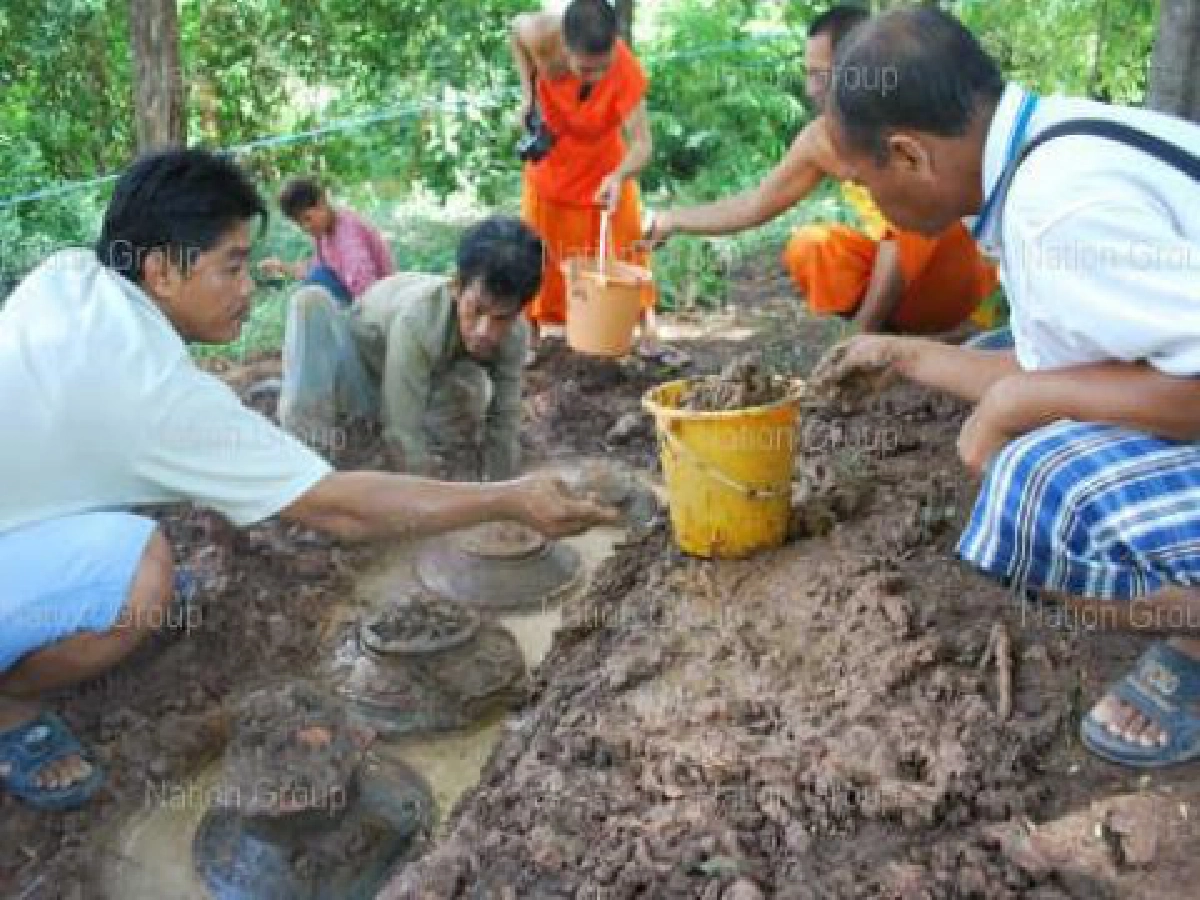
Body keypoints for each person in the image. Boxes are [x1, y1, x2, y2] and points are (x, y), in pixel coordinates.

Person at [0, 149, 613, 811]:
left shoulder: (70, 275)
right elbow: (339, 510)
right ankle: (12, 708)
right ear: (159, 270)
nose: (249, 287)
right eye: (232, 265)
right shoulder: (156, 395)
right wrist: (511, 497)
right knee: (145, 572)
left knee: (127, 540)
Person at [813, 7, 1200, 766]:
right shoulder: (1053, 147)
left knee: (1032, 489)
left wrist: (1017, 403)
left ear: (908, 154)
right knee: (1004, 361)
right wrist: (901, 355)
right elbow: (1057, 358)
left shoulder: (1058, 213)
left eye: (867, 185)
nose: (874, 208)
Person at [646, 4, 998, 336]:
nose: (811, 89)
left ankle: (881, 330)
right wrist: (672, 220)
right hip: (901, 288)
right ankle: (887, 333)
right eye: (808, 75)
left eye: (820, 75)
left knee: (911, 224)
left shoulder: (910, 123)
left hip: (953, 278)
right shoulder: (819, 139)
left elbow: (907, 233)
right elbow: (755, 204)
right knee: (811, 245)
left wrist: (860, 329)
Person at [281, 216, 539, 481]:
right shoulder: (418, 321)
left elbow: (504, 420)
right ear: (455, 288)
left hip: (423, 379)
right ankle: (306, 461)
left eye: (501, 318)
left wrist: (501, 493)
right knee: (310, 302)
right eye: (477, 311)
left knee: (468, 411)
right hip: (362, 375)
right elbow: (402, 430)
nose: (484, 332)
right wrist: (427, 499)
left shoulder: (516, 333)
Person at [511, 0, 681, 365]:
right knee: (538, 253)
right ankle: (529, 338)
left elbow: (642, 144)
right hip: (552, 166)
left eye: (603, 67)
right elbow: (515, 32)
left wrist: (619, 176)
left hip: (605, 166)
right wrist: (528, 93)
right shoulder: (542, 35)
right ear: (564, 48)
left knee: (627, 249)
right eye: (585, 69)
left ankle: (648, 333)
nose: (596, 77)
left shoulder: (624, 69)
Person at [259, 176, 394, 307]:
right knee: (313, 282)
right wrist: (281, 267)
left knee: (314, 285)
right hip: (354, 298)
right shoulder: (323, 234)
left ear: (321, 202)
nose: (305, 227)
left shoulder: (348, 231)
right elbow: (312, 271)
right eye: (299, 223)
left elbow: (365, 283)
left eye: (307, 218)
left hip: (375, 302)